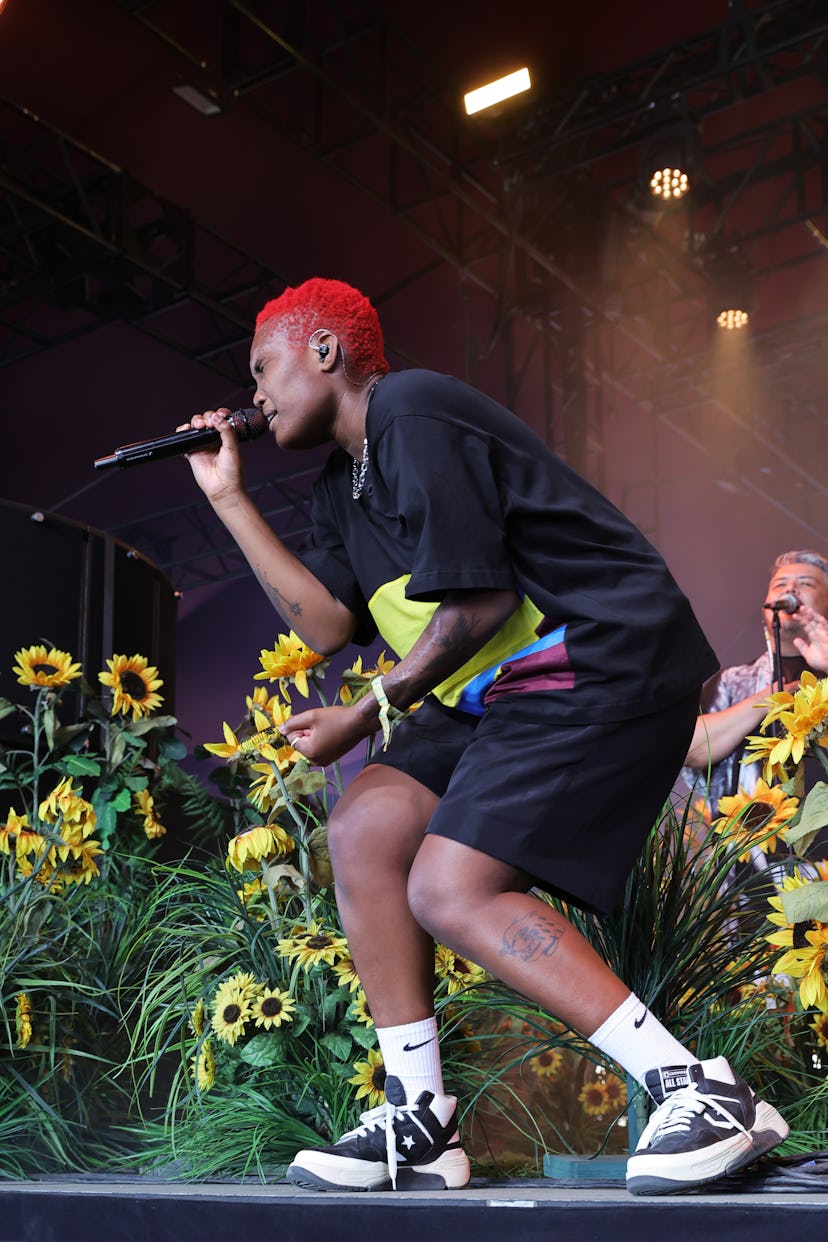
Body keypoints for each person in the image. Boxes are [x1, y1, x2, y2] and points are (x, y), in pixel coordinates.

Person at [183, 277, 788, 1198]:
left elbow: (482, 603)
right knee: (365, 831)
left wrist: (368, 709)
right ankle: (421, 1121)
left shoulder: (413, 409)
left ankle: (696, 1086)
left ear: (325, 352)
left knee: (450, 884)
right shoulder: (339, 487)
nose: (255, 394)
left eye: (262, 366)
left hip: (601, 646)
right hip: (495, 692)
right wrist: (228, 498)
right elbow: (322, 627)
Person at [684, 551, 828, 832]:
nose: (790, 589)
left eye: (806, 583)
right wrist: (768, 698)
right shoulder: (733, 682)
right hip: (751, 858)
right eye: (780, 584)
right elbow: (689, 748)